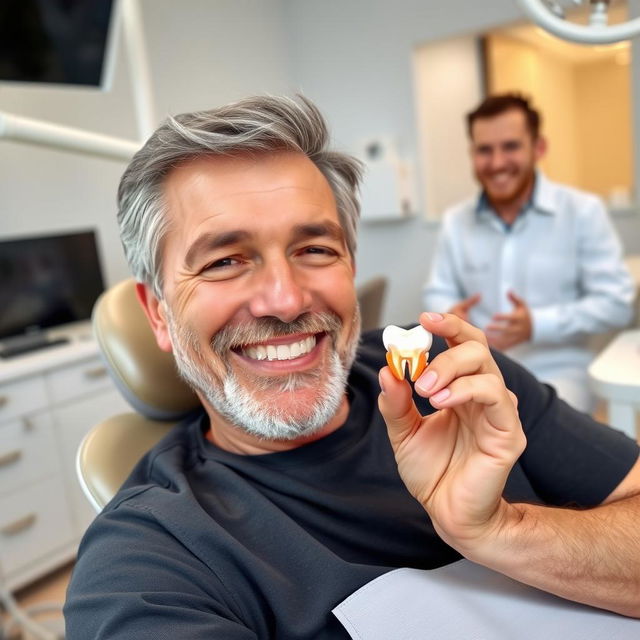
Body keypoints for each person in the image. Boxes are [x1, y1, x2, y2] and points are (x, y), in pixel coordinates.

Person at [64, 95, 640, 639]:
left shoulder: (454, 382)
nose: (286, 300)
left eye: (315, 249)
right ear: (158, 314)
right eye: (225, 261)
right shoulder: (149, 560)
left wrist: (504, 531)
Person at [422, 93, 635, 413]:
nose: (496, 163)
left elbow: (617, 304)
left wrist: (538, 323)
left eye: (510, 146)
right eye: (484, 150)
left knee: (529, 440)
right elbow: (438, 291)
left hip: (559, 374)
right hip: (473, 369)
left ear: (539, 148)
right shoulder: (456, 221)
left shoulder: (582, 212)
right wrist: (448, 313)